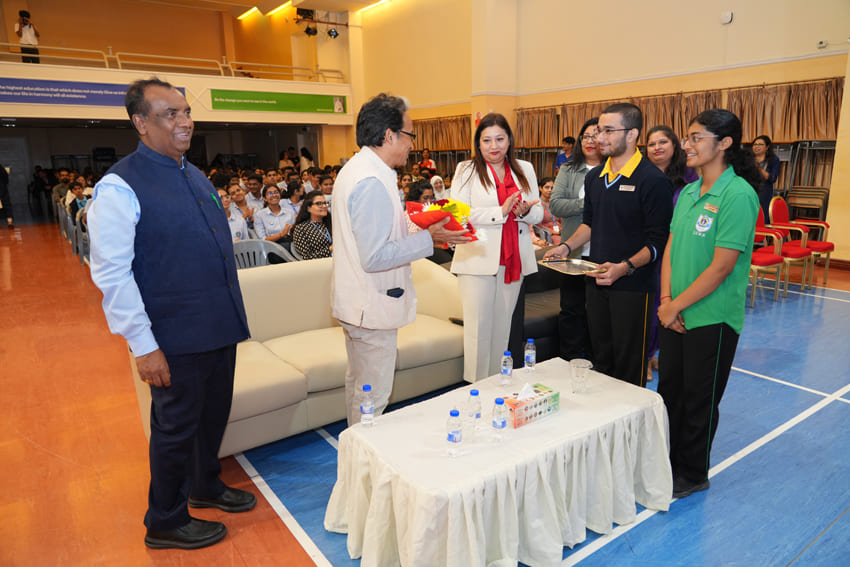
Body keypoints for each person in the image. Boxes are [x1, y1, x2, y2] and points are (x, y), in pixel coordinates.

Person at [87, 77, 255, 551]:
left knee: (212, 416)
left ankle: (204, 484)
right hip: (174, 336)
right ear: (141, 123)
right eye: (170, 114)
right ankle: (164, 519)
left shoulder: (193, 172)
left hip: (218, 325)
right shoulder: (119, 186)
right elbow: (113, 274)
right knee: (175, 429)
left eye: (186, 112)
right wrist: (144, 346)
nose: (184, 122)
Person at [332, 93, 470, 426]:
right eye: (410, 135)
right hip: (370, 307)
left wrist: (419, 223)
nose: (413, 144)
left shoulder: (363, 169)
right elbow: (375, 256)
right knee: (372, 398)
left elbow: (377, 231)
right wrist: (430, 239)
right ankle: (363, 458)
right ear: (389, 135)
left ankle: (355, 454)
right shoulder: (370, 181)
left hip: (358, 303)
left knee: (360, 389)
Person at [657, 109, 760, 498]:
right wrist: (667, 301)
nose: (687, 145)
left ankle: (692, 473)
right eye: (687, 137)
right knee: (670, 393)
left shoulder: (738, 195)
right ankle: (665, 463)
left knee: (699, 399)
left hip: (712, 317)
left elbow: (721, 267)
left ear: (725, 143)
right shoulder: (688, 192)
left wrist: (674, 306)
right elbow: (670, 248)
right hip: (675, 312)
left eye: (696, 137)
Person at [544, 103, 673, 386]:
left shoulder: (653, 180)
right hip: (596, 282)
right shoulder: (595, 178)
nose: (599, 138)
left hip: (634, 287)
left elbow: (658, 241)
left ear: (632, 134)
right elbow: (589, 224)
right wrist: (566, 247)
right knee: (601, 361)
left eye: (608, 131)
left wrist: (624, 267)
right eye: (598, 131)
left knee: (628, 368)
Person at [450, 112, 543, 382]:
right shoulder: (467, 169)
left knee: (503, 331)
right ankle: (475, 388)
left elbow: (538, 212)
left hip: (513, 259)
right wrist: (499, 212)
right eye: (487, 140)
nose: (494, 146)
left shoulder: (524, 168)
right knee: (478, 331)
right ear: (478, 143)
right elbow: (457, 213)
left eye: (500, 139)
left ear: (509, 140)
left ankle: (496, 386)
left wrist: (525, 211)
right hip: (477, 259)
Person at [644, 125, 700, 380]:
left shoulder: (689, 176)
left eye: (662, 142)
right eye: (651, 144)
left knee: (670, 302)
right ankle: (644, 356)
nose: (657, 148)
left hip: (678, 250)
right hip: (648, 250)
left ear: (675, 145)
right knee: (650, 306)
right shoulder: (641, 175)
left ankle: (655, 352)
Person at [549, 118, 601, 360]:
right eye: (586, 136)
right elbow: (556, 205)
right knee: (571, 309)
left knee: (598, 311)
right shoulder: (569, 169)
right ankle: (568, 359)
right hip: (572, 251)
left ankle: (595, 361)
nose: (590, 141)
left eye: (596, 135)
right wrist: (589, 204)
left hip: (603, 253)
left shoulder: (614, 170)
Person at [292, 192, 332, 260]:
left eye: (325, 203)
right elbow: (306, 258)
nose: (324, 206)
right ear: (308, 208)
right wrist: (330, 249)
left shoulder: (332, 223)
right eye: (319, 203)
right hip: (319, 264)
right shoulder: (301, 229)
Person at [752, 135, 781, 219]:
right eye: (755, 144)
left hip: (764, 191)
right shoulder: (748, 159)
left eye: (760, 144)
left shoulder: (773, 160)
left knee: (763, 216)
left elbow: (772, 178)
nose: (757, 146)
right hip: (749, 189)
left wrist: (759, 168)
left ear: (767, 147)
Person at [532, 177, 559, 246]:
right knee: (562, 243)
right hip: (549, 234)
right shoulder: (537, 204)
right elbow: (538, 225)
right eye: (547, 187)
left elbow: (562, 219)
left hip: (560, 231)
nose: (550, 190)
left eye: (552, 188)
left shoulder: (555, 203)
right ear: (540, 188)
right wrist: (554, 232)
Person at [0, 163, 13, 229]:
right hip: (4, 189)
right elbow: (6, 181)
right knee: (7, 206)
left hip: (2, 189)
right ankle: (10, 223)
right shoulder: (3, 170)